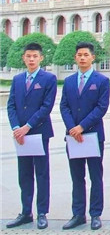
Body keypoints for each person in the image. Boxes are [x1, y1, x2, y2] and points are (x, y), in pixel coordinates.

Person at [59, 42, 110, 230]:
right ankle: (78, 214)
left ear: (92, 57)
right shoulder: (69, 81)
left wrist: (81, 126)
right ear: (75, 58)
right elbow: (64, 106)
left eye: (86, 55)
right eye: (79, 55)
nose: (82, 58)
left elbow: (101, 108)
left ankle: (96, 214)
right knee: (77, 177)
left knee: (95, 177)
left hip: (93, 136)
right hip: (73, 137)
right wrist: (72, 128)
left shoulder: (101, 81)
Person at [6, 42, 57, 230]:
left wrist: (27, 127)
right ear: (24, 58)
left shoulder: (49, 79)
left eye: (35, 56)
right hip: (21, 135)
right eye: (28, 56)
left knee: (42, 173)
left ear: (41, 58)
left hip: (39, 132)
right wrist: (16, 127)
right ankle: (26, 212)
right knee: (24, 173)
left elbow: (46, 107)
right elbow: (11, 105)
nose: (31, 59)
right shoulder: (17, 79)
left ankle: (42, 212)